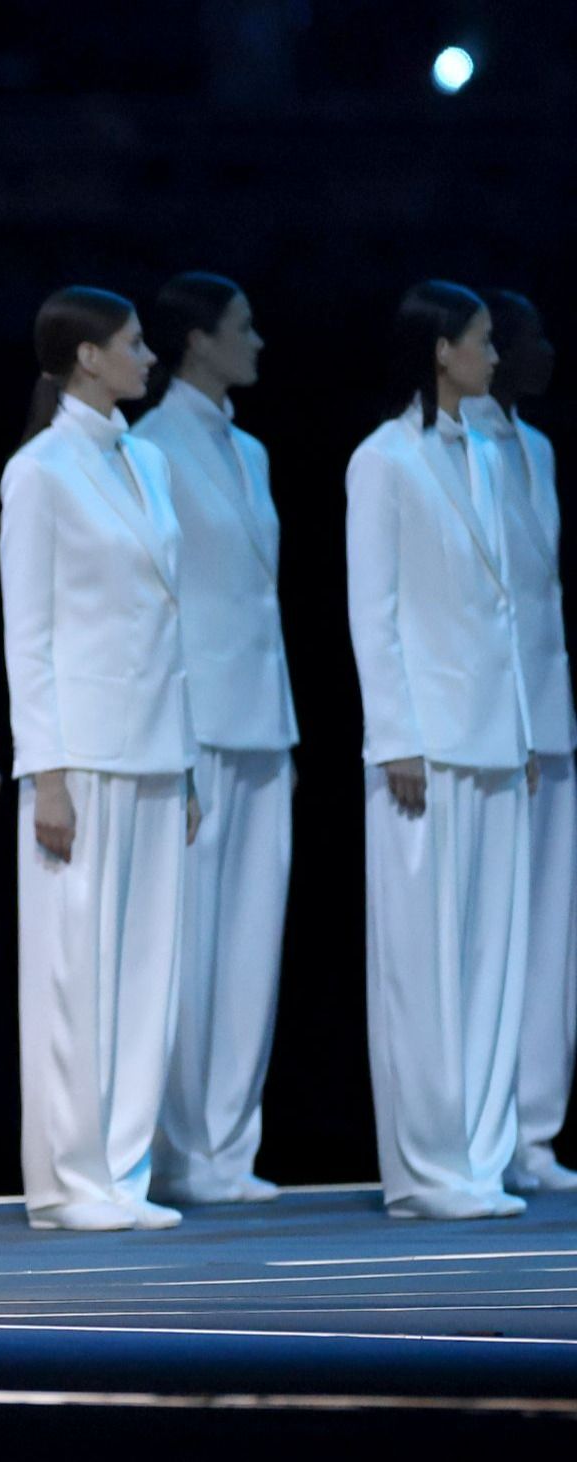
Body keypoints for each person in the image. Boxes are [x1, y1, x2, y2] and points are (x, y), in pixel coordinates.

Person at [0, 286, 200, 1234]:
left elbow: (172, 619)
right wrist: (47, 769)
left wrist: (189, 753)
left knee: (146, 970)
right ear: (86, 357)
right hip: (81, 751)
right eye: (133, 343)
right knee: (75, 968)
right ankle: (68, 1179)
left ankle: (124, 1169)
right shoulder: (39, 471)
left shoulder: (149, 462)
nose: (149, 356)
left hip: (157, 742)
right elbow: (26, 633)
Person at [346, 281, 534, 1220]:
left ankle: (480, 1156)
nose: (495, 357)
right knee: (426, 961)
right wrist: (398, 737)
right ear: (440, 352)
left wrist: (529, 729)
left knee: (494, 958)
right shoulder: (384, 461)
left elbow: (512, 611)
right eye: (482, 342)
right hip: (429, 743)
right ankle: (426, 1168)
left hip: (498, 734)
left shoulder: (493, 459)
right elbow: (372, 612)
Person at [133, 274, 299, 1206]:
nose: (259, 341)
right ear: (197, 341)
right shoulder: (152, 449)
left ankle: (228, 1149)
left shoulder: (250, 450)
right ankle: (174, 1147)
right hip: (193, 724)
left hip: (262, 717)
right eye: (243, 328)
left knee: (248, 945)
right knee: (188, 943)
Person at [464, 291, 577, 1195]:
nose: (539, 353)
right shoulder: (451, 451)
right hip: (491, 727)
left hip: (550, 714)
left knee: (549, 937)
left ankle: (534, 1129)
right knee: (489, 934)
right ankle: (481, 1124)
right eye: (525, 337)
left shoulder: (534, 448)